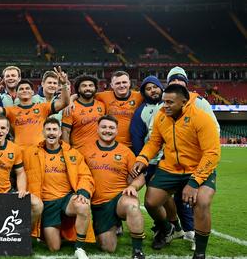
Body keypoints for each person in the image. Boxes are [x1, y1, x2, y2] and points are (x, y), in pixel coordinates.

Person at [132, 84, 220, 259]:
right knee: (151, 201)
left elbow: (212, 153)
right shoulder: (161, 117)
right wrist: (142, 159)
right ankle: (168, 228)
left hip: (198, 168)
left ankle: (200, 254)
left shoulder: (201, 118)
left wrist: (194, 182)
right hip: (170, 168)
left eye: (170, 102)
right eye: (164, 101)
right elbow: (154, 142)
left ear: (184, 102)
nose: (165, 105)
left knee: (201, 202)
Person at [24, 117, 94, 258]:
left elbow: (86, 175)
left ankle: (79, 248)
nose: (51, 133)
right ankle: (58, 229)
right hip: (47, 204)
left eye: (54, 129)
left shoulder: (72, 153)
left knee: (82, 205)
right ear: (43, 132)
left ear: (60, 133)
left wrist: (83, 192)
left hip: (66, 199)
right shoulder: (29, 153)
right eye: (48, 129)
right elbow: (17, 170)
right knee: (54, 248)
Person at [130, 76, 189, 241]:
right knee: (156, 197)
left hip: (171, 160)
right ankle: (166, 228)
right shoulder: (141, 111)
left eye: (154, 87)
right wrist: (142, 159)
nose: (152, 91)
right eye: (148, 89)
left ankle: (173, 226)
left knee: (166, 197)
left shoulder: (172, 107)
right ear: (144, 92)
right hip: (152, 160)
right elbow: (136, 136)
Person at [81, 115, 146, 259]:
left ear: (117, 131)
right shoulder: (85, 150)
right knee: (107, 248)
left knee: (132, 206)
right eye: (104, 127)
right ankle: (113, 225)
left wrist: (133, 186)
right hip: (99, 204)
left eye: (111, 128)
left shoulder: (126, 152)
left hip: (119, 198)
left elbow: (140, 177)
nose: (107, 130)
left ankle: (138, 251)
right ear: (97, 129)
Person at [0, 71, 71, 148]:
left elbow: (64, 103)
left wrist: (64, 84)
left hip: (39, 151)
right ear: (17, 94)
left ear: (32, 92)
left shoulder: (43, 107)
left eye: (27, 88)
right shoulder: (11, 110)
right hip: (19, 151)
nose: (25, 90)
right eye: (21, 89)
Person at [96, 71, 143, 148]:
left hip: (133, 144)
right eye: (117, 83)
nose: (121, 85)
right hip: (111, 144)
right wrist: (71, 99)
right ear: (112, 85)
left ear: (129, 83)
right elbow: (83, 96)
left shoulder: (139, 96)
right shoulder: (103, 96)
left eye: (124, 82)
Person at [61, 75, 106, 150]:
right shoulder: (71, 107)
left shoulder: (102, 105)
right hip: (79, 151)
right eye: (84, 86)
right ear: (78, 89)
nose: (88, 88)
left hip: (99, 152)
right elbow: (65, 132)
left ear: (95, 88)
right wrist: (67, 151)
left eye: (91, 85)